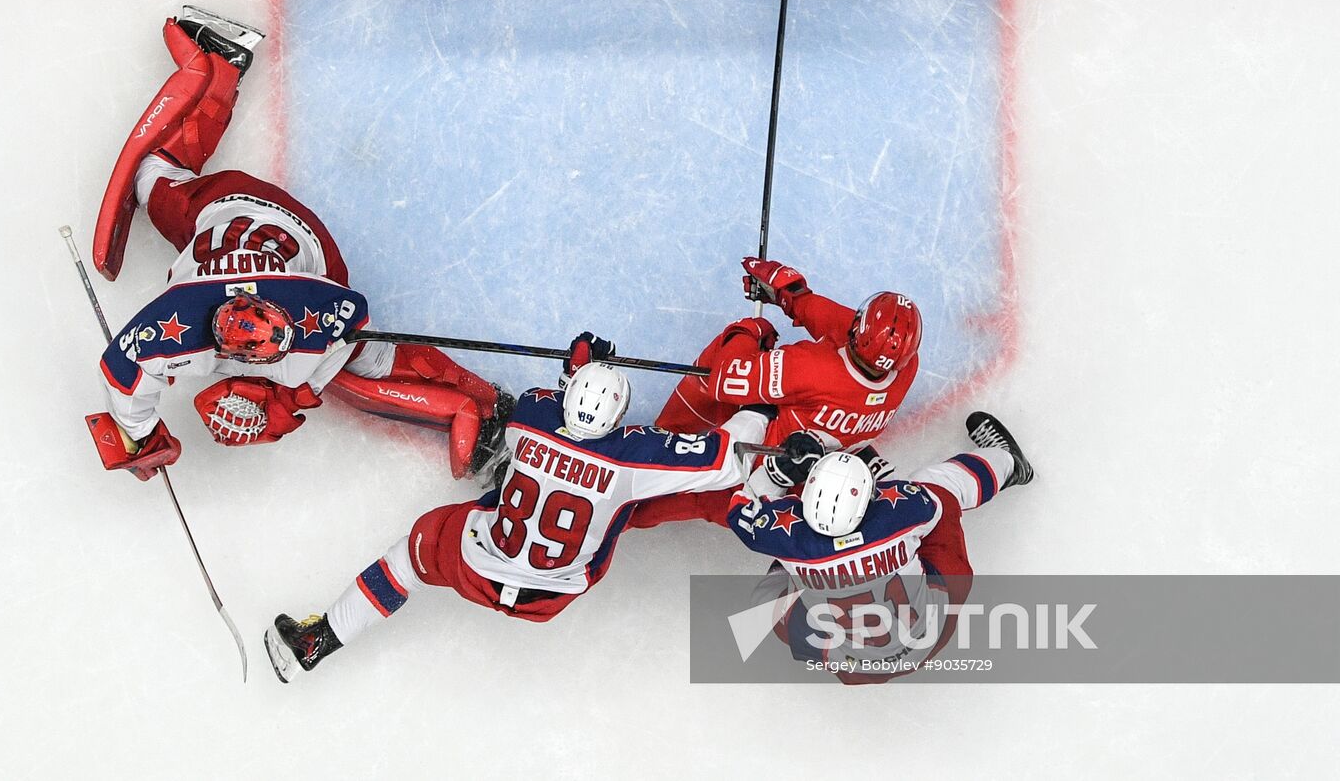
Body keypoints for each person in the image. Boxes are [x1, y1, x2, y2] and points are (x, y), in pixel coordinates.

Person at [85, 6, 510, 481]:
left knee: (368, 360)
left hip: (308, 245)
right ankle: (220, 64)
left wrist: (277, 402)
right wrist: (140, 434)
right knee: (152, 175)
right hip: (224, 205)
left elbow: (342, 346)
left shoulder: (321, 313)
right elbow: (121, 373)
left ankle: (488, 400)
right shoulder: (175, 324)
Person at [262, 334, 771, 683]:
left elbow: (543, 405)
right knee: (632, 502)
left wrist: (576, 366)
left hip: (480, 564)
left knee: (405, 559)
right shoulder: (629, 454)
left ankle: (320, 639)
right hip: (553, 595)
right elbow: (728, 459)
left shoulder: (530, 416)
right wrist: (759, 406)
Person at [726, 412, 1034, 684]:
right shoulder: (901, 510)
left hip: (851, 666)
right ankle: (1009, 462)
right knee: (940, 485)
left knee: (767, 602)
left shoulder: (784, 536)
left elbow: (741, 508)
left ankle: (805, 573)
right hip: (925, 641)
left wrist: (777, 472)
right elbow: (920, 500)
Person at [628, 256, 922, 528]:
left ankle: (659, 453)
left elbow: (726, 378)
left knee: (659, 500)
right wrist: (792, 295)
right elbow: (844, 326)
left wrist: (749, 331)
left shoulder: (810, 368)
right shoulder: (906, 368)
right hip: (811, 481)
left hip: (753, 475)